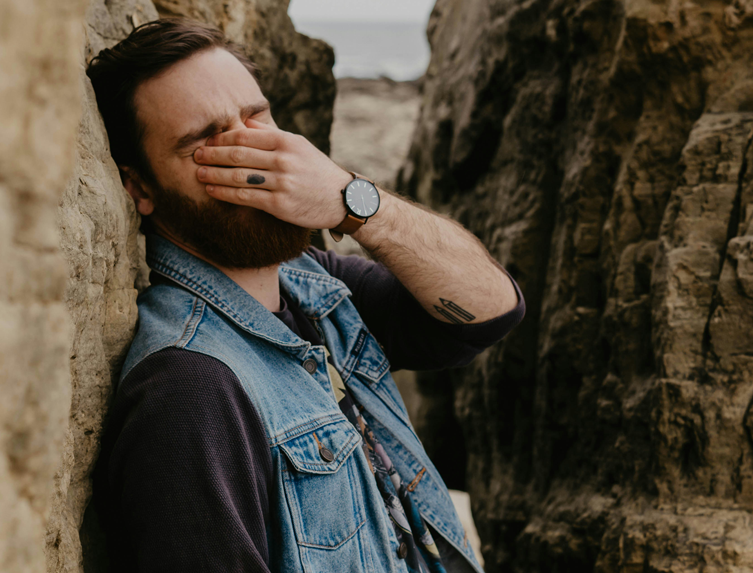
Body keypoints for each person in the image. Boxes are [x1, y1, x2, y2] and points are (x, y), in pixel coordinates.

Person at [88, 18, 524, 573]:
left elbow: (490, 311)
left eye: (256, 117)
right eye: (205, 142)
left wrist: (352, 200)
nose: (251, 153)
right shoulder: (189, 390)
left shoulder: (314, 285)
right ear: (141, 187)